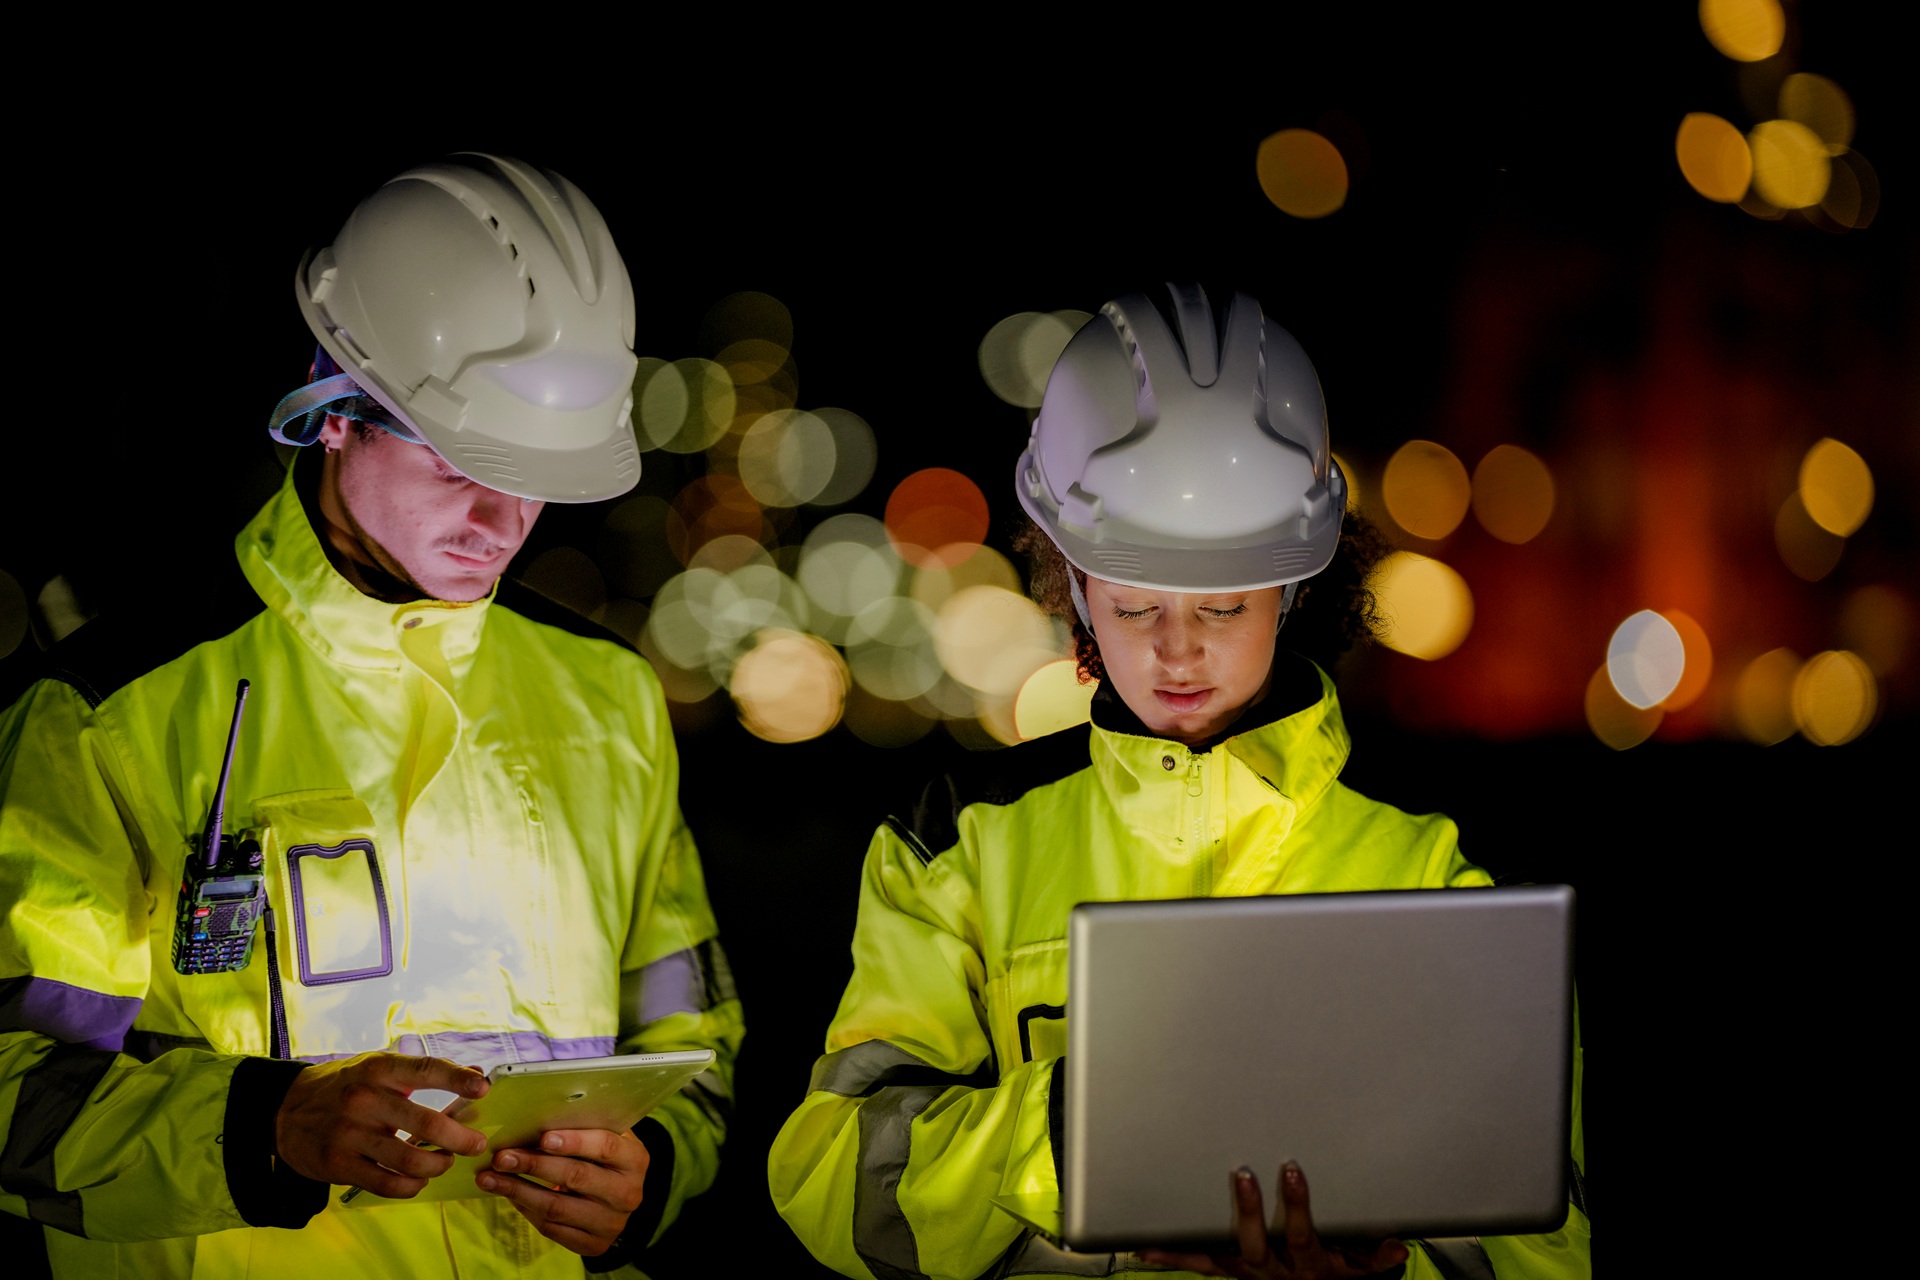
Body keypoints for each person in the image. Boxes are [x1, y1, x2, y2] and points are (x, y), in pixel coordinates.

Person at [0, 155, 743, 1278]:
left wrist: (650, 1173)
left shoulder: (608, 698)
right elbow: (18, 1094)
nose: (505, 518)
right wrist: (269, 1127)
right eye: (463, 459)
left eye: (537, 472)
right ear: (333, 404)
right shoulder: (111, 713)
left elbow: (695, 1040)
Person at [767, 285, 1588, 1280]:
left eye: (1226, 604)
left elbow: (1549, 1241)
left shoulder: (1437, 866)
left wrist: (1385, 1273)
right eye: (1133, 604)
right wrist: (1074, 1130)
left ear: (1294, 587)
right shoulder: (954, 850)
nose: (1178, 650)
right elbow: (830, 1176)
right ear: (1070, 580)